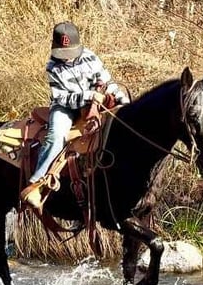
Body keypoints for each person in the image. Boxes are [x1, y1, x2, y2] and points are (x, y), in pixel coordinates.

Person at [20, 21, 130, 209]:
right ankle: (37, 182)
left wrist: (121, 99)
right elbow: (61, 97)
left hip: (96, 104)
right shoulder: (52, 66)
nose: (67, 58)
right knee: (56, 136)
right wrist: (88, 96)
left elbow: (107, 81)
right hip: (65, 107)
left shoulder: (91, 57)